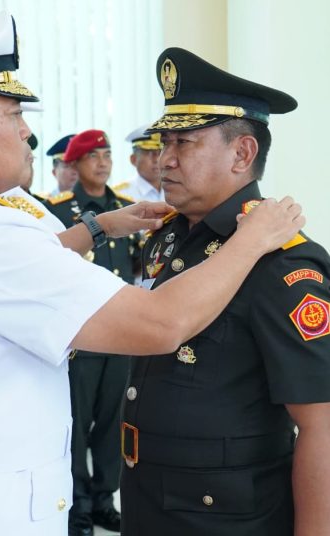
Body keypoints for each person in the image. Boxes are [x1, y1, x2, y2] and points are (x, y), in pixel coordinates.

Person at [0, 12, 303, 536]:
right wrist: (252, 238)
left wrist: (99, 226)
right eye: (14, 113)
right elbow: (158, 324)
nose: (27, 131)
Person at [120, 47, 330, 536]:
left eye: (183, 143)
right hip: (150, 498)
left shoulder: (281, 261)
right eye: (162, 142)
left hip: (225, 515)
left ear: (242, 153)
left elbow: (321, 423)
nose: (163, 159)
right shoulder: (170, 235)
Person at [45, 129, 140, 535]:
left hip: (118, 333)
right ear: (75, 165)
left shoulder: (125, 207)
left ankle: (104, 499)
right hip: (80, 336)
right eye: (93, 156)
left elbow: (134, 269)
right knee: (77, 424)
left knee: (112, 423)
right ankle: (77, 507)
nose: (102, 163)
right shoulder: (59, 209)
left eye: (107, 154)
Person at [113, 124, 164, 203]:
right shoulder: (119, 195)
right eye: (149, 153)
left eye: (160, 152)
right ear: (133, 159)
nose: (156, 159)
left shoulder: (177, 189)